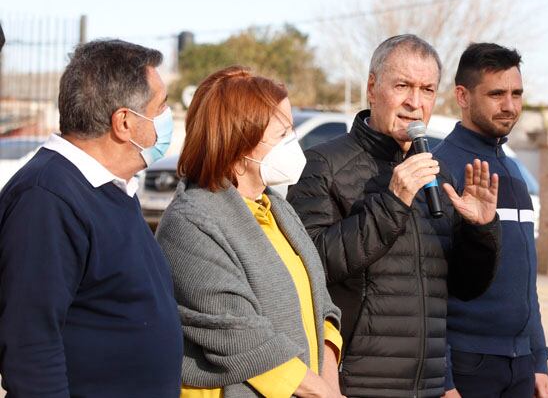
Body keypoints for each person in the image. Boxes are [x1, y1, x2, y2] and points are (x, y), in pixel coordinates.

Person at [287, 34, 501, 397]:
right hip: (353, 383)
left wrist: (480, 231)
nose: (414, 103)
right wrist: (392, 202)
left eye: (427, 89)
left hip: (428, 384)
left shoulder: (440, 175)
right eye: (402, 85)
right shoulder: (323, 165)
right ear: (372, 88)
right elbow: (311, 266)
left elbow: (465, 287)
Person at [0, 39, 183, 397]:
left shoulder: (112, 187)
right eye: (161, 105)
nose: (168, 115)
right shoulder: (47, 198)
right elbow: (31, 347)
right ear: (125, 122)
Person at [155, 66, 343, 398]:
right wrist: (325, 395)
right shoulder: (190, 223)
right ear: (240, 142)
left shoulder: (276, 208)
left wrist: (330, 386)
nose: (292, 140)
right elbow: (241, 337)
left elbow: (321, 307)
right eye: (282, 132)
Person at [432, 43, 548, 398]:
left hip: (521, 366)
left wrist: (539, 361)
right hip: (468, 364)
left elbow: (526, 284)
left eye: (516, 93)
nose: (510, 106)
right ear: (463, 96)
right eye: (496, 94)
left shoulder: (513, 170)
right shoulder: (443, 169)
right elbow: (428, 286)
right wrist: (444, 378)